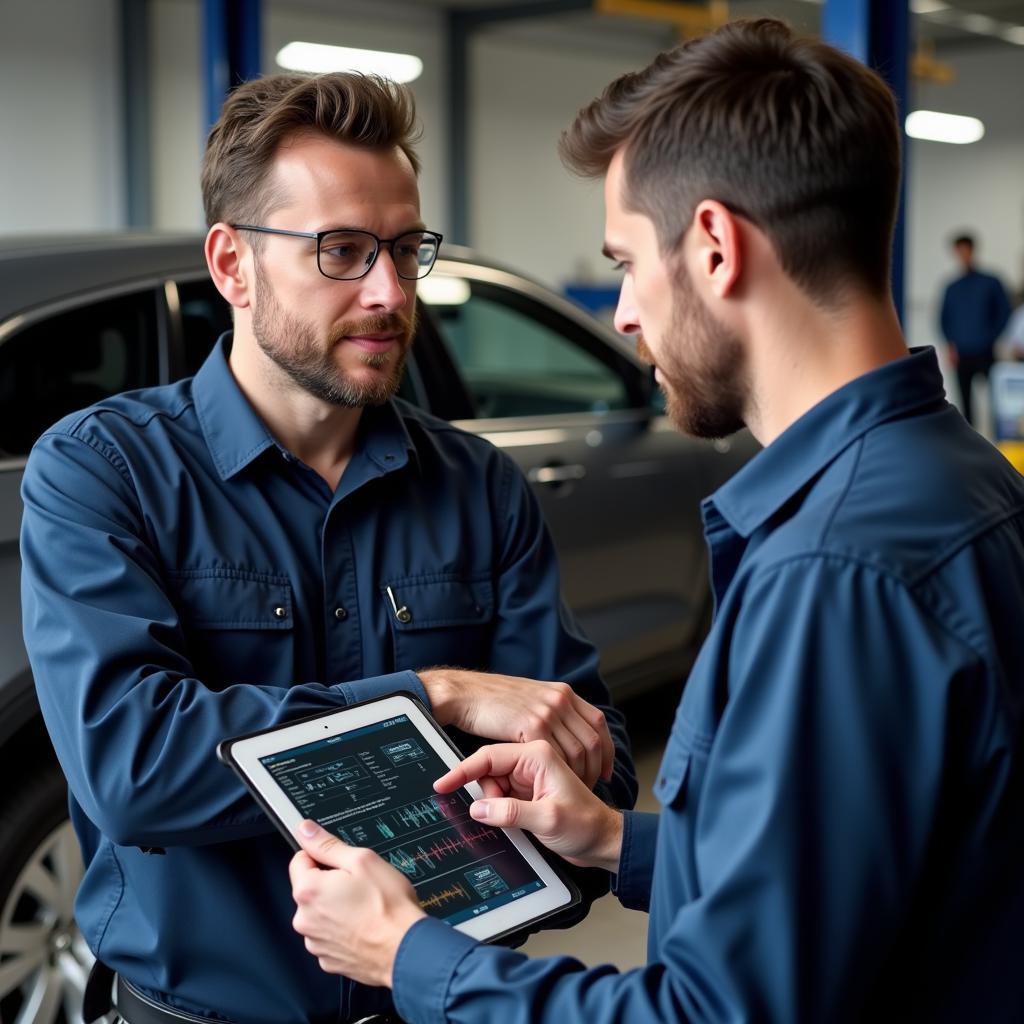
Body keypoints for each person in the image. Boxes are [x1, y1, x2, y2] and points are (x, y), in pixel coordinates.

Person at [287, 18, 1024, 1023]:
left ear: (716, 246)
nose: (623, 313)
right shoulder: (953, 477)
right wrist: (611, 839)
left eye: (627, 262)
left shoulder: (833, 572)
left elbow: (716, 1011)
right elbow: (851, 866)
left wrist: (409, 954)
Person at [20, 72, 638, 1024]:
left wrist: (570, 787)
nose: (389, 293)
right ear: (232, 265)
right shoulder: (103, 471)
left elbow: (591, 750)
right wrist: (435, 695)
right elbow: (137, 770)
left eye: (403, 249)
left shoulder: (477, 486)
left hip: (440, 1001)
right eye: (342, 252)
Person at [939, 232, 1012, 426]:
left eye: (965, 250)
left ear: (972, 250)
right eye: (958, 251)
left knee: (996, 399)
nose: (963, 255)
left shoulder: (991, 282)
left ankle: (999, 441)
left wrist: (991, 337)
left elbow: (1004, 312)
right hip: (962, 354)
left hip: (986, 351)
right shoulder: (952, 287)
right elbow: (944, 319)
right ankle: (971, 444)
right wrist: (950, 345)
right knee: (965, 403)